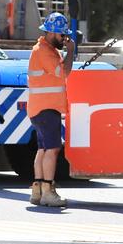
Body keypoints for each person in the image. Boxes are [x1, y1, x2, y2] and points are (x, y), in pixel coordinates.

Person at [27, 12, 77, 208]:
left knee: (43, 149)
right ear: (52, 33)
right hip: (47, 108)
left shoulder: (44, 49)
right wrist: (71, 51)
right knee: (53, 149)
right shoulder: (44, 52)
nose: (64, 39)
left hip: (40, 108)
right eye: (62, 36)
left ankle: (37, 191)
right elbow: (64, 72)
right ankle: (48, 192)